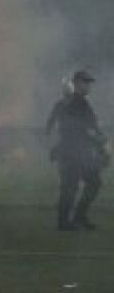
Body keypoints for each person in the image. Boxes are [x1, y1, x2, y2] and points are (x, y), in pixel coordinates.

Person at [46, 71, 106, 231]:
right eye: (86, 83)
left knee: (90, 183)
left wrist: (99, 142)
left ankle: (77, 217)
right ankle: (65, 222)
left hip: (77, 152)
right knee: (71, 187)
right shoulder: (75, 104)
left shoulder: (72, 103)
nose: (89, 86)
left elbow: (92, 126)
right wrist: (99, 143)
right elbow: (83, 128)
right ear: (77, 83)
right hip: (72, 152)